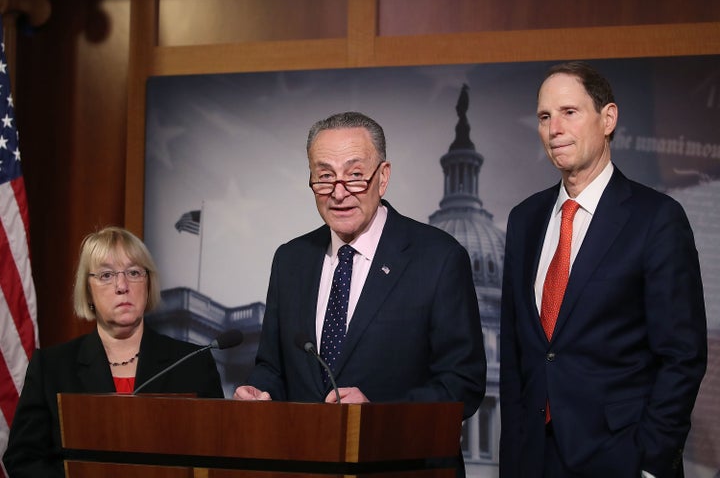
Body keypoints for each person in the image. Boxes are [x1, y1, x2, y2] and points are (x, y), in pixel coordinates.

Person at [234, 111, 486, 475]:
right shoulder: (290, 259)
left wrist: (379, 416)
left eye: (354, 175)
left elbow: (463, 383)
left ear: (382, 177)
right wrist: (260, 393)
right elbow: (273, 366)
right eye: (324, 177)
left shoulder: (439, 257)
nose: (339, 193)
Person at [499, 61, 707, 478]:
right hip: (535, 460)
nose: (554, 128)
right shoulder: (524, 219)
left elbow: (682, 356)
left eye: (569, 112)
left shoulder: (656, 218)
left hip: (621, 457)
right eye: (544, 117)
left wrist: (652, 462)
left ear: (608, 118)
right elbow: (514, 356)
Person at [3, 226, 224, 478]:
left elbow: (218, 457)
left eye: (133, 272)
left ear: (148, 283)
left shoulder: (193, 363)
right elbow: (23, 459)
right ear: (88, 291)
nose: (122, 285)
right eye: (107, 275)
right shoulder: (51, 367)